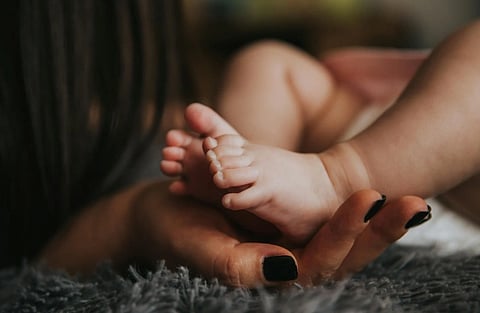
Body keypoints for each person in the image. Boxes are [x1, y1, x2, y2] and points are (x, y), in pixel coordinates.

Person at [1, 0, 429, 288]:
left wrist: (132, 217)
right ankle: (260, 189)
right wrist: (132, 219)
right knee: (261, 60)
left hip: (409, 154)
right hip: (350, 129)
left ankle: (274, 188)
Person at [161, 20, 480, 247]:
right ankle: (253, 188)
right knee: (266, 61)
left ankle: (335, 179)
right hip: (377, 127)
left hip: (456, 194)